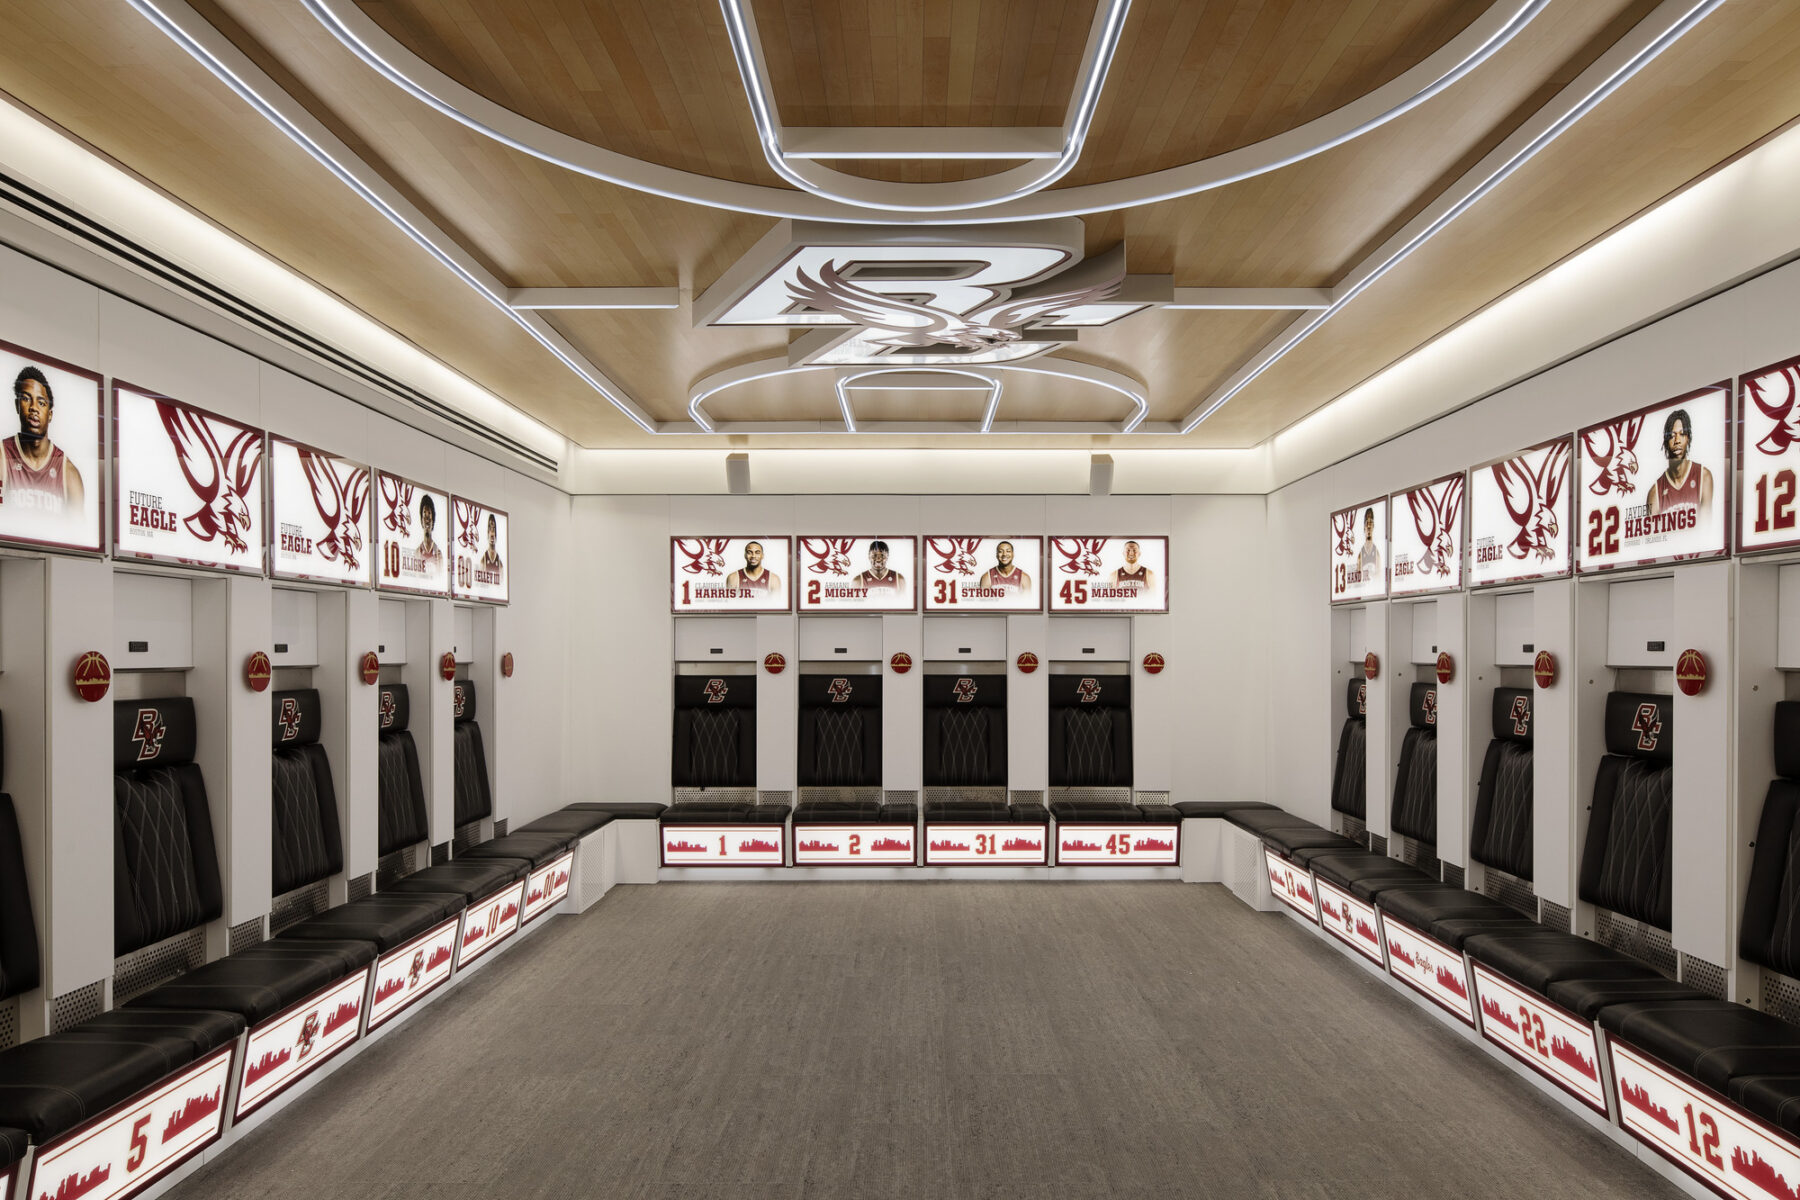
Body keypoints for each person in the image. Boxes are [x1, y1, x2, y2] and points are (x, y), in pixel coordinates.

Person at [5, 365, 84, 518]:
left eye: (41, 402)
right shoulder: (3, 457)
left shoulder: (68, 473)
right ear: (17, 406)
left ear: (50, 415)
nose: (34, 408)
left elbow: (78, 533)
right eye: (26, 399)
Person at [1645, 408, 1714, 519]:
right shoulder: (1655, 493)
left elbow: (1706, 528)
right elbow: (1651, 535)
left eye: (1682, 434)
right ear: (1666, 441)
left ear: (1688, 438)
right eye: (1672, 435)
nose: (1677, 440)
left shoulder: (1704, 477)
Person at [1356, 508, 1381, 581]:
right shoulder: (1360, 556)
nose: (1369, 526)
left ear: (1373, 526)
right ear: (1364, 528)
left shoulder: (1377, 554)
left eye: (1371, 523)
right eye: (1367, 523)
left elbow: (1379, 579)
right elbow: (1358, 582)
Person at [416, 493, 441, 564]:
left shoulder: (439, 554)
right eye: (424, 514)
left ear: (433, 520)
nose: (427, 519)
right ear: (421, 520)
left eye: (429, 514)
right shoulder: (417, 553)